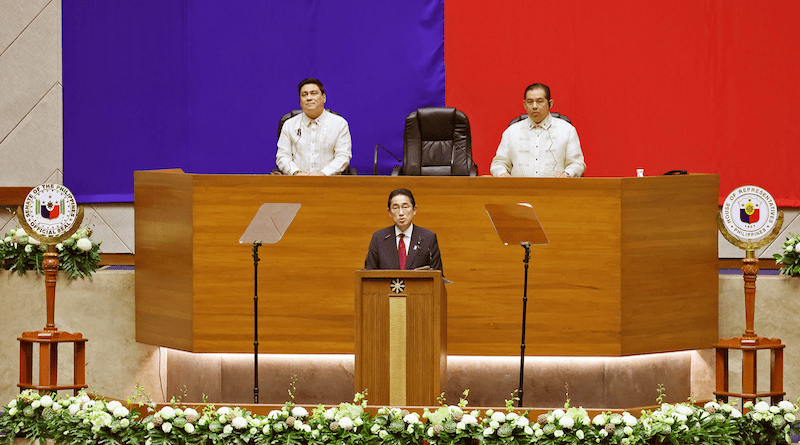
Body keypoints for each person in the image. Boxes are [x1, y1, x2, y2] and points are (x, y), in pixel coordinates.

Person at [490, 83, 585, 178]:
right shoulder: (511, 132)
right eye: (530, 102)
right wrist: (502, 173)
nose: (534, 106)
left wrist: (566, 174)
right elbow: (498, 163)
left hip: (557, 190)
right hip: (520, 191)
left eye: (539, 101)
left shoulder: (567, 130)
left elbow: (578, 164)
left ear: (550, 103)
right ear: (524, 104)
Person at [276, 78, 352, 176]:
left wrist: (322, 174)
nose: (309, 98)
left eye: (314, 93)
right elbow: (283, 156)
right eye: (304, 94)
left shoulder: (339, 124)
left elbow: (343, 156)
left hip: (329, 182)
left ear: (324, 97)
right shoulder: (289, 124)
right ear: (300, 100)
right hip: (296, 182)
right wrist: (297, 173)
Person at [364, 188, 443, 273]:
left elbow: (438, 277)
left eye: (405, 207)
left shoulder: (428, 238)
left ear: (414, 210)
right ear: (389, 212)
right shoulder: (378, 238)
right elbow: (369, 274)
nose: (401, 213)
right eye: (395, 208)